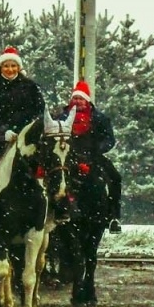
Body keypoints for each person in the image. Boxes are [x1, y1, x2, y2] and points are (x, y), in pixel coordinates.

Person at [56, 80, 123, 233]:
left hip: (94, 158)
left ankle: (113, 217)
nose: (78, 101)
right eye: (75, 98)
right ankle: (55, 211)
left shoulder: (100, 118)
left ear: (87, 100)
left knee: (115, 178)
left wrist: (96, 150)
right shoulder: (62, 118)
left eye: (81, 98)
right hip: (68, 157)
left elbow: (109, 139)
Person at [0, 47, 45, 163]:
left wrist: (26, 129)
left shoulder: (30, 87)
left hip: (26, 135)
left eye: (13, 66)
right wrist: (4, 132)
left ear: (18, 67)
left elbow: (39, 111)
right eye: (6, 66)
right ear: (0, 68)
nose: (10, 69)